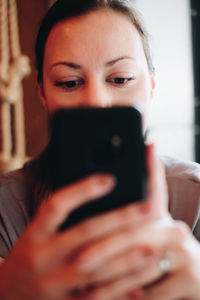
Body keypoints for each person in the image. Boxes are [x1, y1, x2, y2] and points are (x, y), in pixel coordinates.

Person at [0, 0, 200, 299]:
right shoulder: (5, 204)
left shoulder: (195, 196)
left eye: (120, 79)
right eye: (69, 82)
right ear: (42, 93)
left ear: (152, 86)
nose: (96, 101)